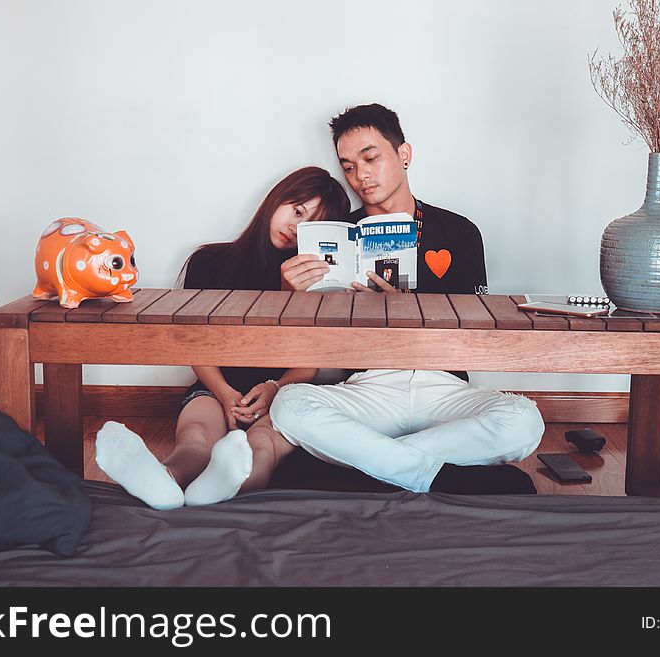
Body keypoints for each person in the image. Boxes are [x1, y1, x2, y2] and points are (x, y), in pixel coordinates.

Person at [271, 103, 545, 493]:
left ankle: (363, 468)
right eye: (348, 166)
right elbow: (306, 343)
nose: (360, 175)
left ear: (404, 154)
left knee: (524, 420)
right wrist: (290, 295)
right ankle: (436, 476)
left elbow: (478, 332)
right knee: (289, 405)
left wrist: (410, 306)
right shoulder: (334, 234)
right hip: (369, 385)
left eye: (370, 158)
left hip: (444, 386)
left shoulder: (459, 232)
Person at [94, 166, 351, 509]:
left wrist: (275, 386)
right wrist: (225, 393)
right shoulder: (209, 261)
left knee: (262, 445)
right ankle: (164, 479)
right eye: (296, 210)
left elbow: (309, 364)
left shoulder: (319, 285)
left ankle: (227, 485)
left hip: (286, 389)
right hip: (217, 384)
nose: (294, 226)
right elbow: (193, 344)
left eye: (309, 225)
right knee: (196, 437)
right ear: (276, 200)